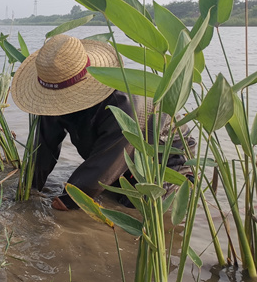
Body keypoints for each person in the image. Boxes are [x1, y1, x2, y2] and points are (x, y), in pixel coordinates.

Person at [10, 34, 194, 211]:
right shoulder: (53, 93)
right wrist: (27, 189)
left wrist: (70, 199)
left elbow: (110, 158)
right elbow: (43, 147)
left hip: (164, 162)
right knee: (107, 194)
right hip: (121, 162)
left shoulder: (122, 102)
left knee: (138, 206)